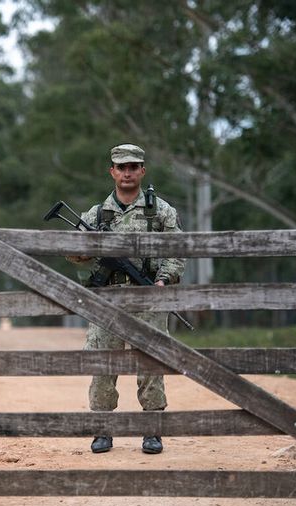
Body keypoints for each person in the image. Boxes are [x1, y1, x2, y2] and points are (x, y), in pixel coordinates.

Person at [69, 143, 185, 455]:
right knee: (103, 363)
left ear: (143, 171)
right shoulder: (96, 214)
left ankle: (152, 430)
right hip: (106, 299)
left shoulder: (160, 211)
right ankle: (103, 430)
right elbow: (74, 253)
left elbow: (176, 252)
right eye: (121, 167)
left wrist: (162, 280)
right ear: (112, 172)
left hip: (148, 297)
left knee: (150, 362)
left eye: (133, 167)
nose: (127, 173)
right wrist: (83, 249)